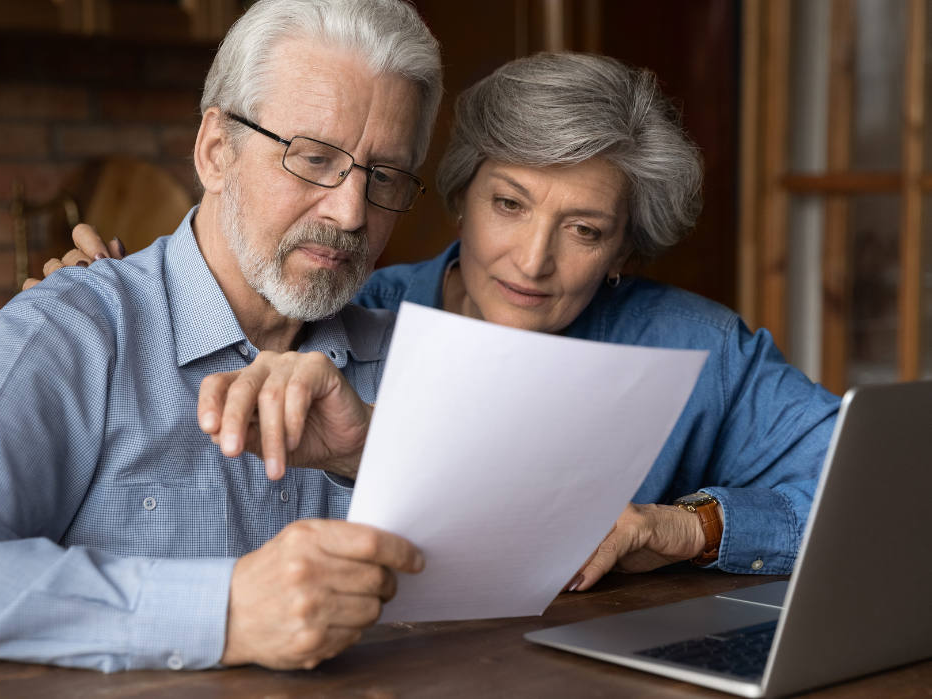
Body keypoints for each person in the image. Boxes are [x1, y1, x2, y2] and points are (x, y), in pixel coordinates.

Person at [164, 52, 841, 591]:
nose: (532, 259)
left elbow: (876, 493)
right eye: (510, 204)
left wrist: (689, 527)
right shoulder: (345, 311)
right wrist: (103, 283)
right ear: (462, 195)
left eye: (583, 228)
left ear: (621, 252)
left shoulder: (698, 346)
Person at [0, 0, 443, 672]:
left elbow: (520, 564)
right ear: (216, 151)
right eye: (313, 159)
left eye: (384, 177)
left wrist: (374, 453)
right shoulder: (72, 331)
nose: (350, 211)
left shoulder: (414, 361)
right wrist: (225, 610)